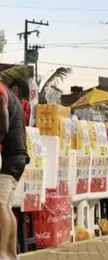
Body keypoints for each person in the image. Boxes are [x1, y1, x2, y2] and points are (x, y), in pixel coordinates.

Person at [0, 82, 30, 259]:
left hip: (9, 156)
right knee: (7, 206)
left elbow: (2, 126)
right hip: (18, 156)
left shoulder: (0, 92)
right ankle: (11, 253)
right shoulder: (9, 94)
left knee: (0, 205)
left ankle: (2, 253)